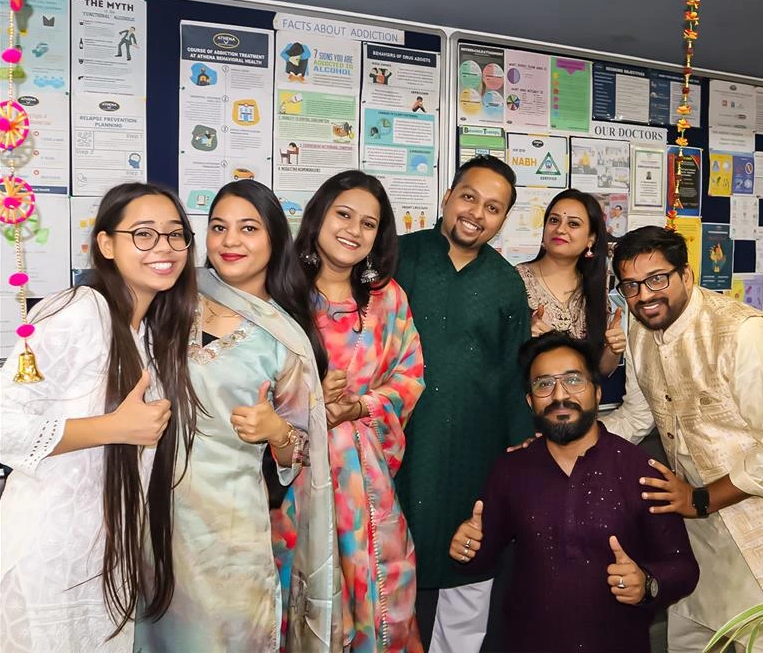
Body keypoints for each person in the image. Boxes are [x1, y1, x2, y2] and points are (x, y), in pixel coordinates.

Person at [134, 181, 338, 653]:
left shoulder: (285, 339)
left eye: (248, 228)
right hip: (152, 518)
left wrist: (276, 431)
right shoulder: (170, 298)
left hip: (228, 533)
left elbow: (304, 451)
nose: (230, 241)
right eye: (218, 227)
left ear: (274, 240)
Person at [0, 182, 200, 651]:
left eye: (175, 234)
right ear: (106, 245)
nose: (164, 247)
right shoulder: (80, 311)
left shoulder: (147, 334)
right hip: (47, 563)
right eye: (144, 234)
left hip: (102, 562)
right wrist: (113, 428)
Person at [602, 226, 763, 653]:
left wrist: (702, 498)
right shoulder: (641, 331)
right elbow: (639, 415)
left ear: (686, 275)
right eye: (631, 286)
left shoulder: (746, 333)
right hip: (694, 541)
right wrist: (567, 444)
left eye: (657, 279)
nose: (644, 295)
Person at [449, 332, 699, 652]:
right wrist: (467, 549)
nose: (559, 395)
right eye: (544, 384)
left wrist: (647, 584)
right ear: (530, 401)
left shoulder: (641, 471)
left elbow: (683, 569)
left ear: (597, 392)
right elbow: (480, 560)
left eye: (573, 380)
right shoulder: (511, 470)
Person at [394, 154, 533, 652]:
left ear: (502, 220)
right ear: (448, 195)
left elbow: (515, 372)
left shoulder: (506, 283)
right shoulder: (397, 256)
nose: (477, 213)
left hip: (474, 450)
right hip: (398, 443)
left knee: (469, 568)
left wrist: (520, 447)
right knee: (388, 569)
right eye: (469, 197)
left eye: (493, 208)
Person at [287, 170, 425, 652]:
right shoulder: (281, 293)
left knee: (381, 596)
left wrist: (358, 405)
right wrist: (309, 398)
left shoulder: (388, 299)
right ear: (318, 217)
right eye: (343, 214)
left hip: (366, 479)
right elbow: (250, 384)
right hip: (294, 477)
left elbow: (410, 376)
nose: (354, 230)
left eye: (368, 224)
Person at [515, 189, 625, 376]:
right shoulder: (515, 281)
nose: (560, 229)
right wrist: (522, 335)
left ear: (591, 239)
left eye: (573, 224)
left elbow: (600, 371)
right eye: (554, 220)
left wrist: (613, 349)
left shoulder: (594, 291)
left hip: (577, 395)